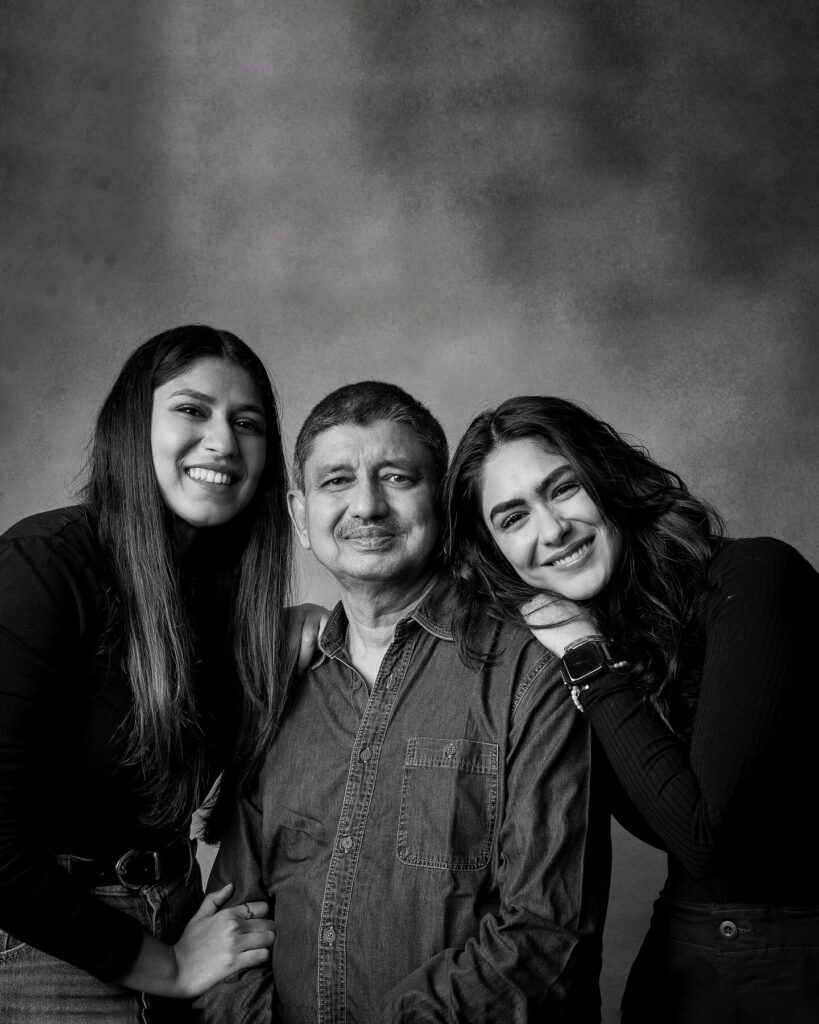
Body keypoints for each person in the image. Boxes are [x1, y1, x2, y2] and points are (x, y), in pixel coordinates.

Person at [196, 381, 610, 1024]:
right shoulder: (279, 682)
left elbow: (545, 938)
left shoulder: (534, 667)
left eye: (396, 476)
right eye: (337, 481)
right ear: (301, 517)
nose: (366, 505)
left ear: (442, 504)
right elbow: (231, 925)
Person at [442, 394, 819, 1024]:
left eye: (563, 489)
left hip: (792, 965)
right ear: (497, 552)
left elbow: (705, 840)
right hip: (677, 963)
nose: (552, 531)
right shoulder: (576, 642)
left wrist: (587, 659)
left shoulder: (754, 577)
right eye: (513, 519)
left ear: (607, 477)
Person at [0, 325, 319, 1021]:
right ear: (130, 426)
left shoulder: (222, 602)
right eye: (190, 410)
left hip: (177, 915)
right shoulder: (44, 565)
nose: (224, 443)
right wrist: (166, 965)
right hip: (47, 950)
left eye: (248, 423)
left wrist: (279, 652)